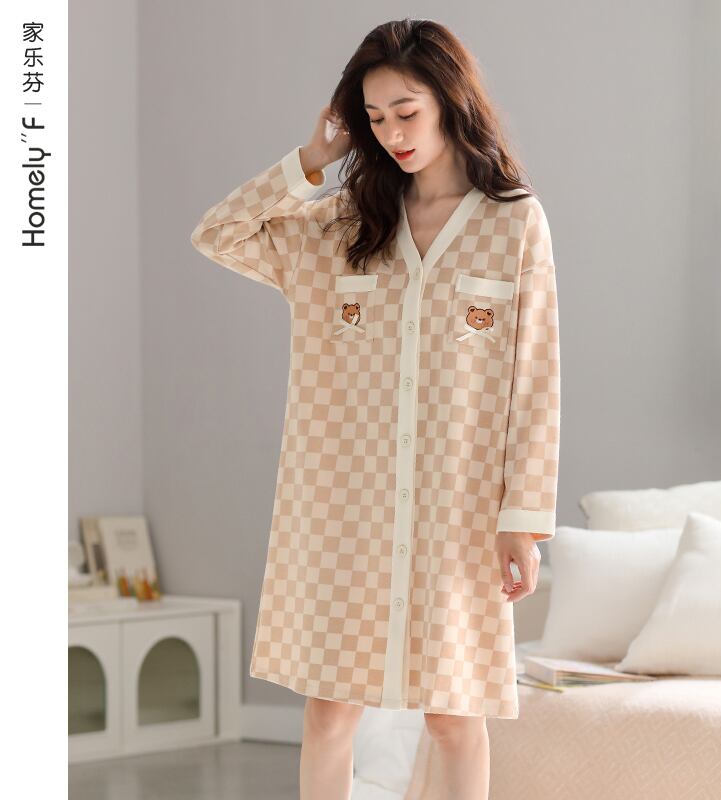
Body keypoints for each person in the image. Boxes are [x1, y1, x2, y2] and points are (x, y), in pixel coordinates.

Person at [190, 18, 561, 800]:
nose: (392, 133)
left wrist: (522, 520)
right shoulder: (340, 228)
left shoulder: (512, 222)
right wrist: (311, 160)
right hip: (345, 514)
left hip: (457, 513)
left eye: (406, 112)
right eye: (376, 117)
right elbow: (217, 234)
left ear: (450, 101)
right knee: (330, 712)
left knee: (454, 717)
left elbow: (534, 377)